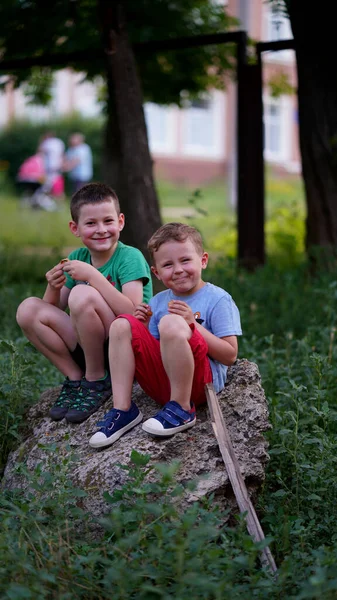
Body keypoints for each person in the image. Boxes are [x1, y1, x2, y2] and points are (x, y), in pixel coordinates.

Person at [89, 222, 242, 449]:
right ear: (156, 272)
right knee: (123, 323)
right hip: (163, 383)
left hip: (200, 384)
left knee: (171, 321)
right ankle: (123, 410)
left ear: (203, 260)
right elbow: (157, 350)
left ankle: (183, 408)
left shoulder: (218, 299)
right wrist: (145, 323)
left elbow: (230, 355)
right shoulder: (159, 302)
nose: (178, 269)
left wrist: (193, 325)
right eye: (168, 265)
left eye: (185, 260)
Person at [16, 182, 152, 424]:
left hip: (123, 346)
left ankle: (97, 380)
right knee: (28, 309)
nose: (101, 229)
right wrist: (54, 286)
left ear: (120, 222)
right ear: (75, 228)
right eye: (91, 223)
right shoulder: (78, 258)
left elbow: (132, 314)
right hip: (89, 343)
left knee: (81, 294)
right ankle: (75, 377)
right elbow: (52, 313)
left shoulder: (130, 257)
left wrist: (92, 276)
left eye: (108, 221)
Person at [39, 131, 65, 196]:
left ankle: (46, 198)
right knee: (57, 185)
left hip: (48, 167)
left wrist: (41, 141)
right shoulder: (59, 142)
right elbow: (62, 154)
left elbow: (40, 152)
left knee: (46, 185)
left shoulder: (47, 142)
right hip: (57, 166)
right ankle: (57, 198)